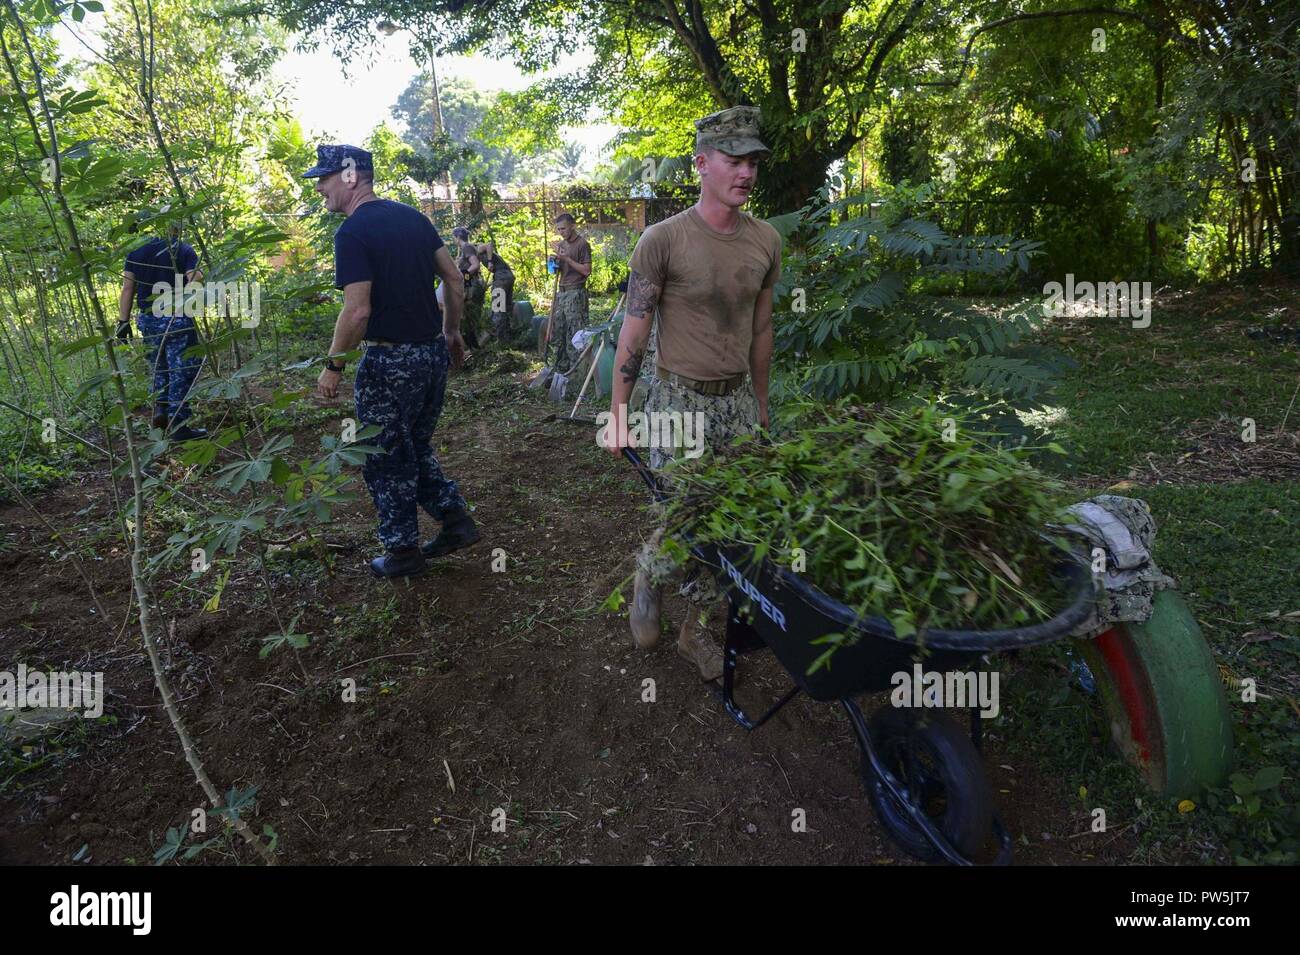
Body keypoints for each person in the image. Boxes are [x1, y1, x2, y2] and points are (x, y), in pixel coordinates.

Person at [602, 106, 782, 680]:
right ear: (702, 164)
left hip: (734, 405)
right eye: (735, 160)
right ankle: (648, 580)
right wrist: (619, 414)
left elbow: (762, 329)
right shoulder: (662, 241)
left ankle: (694, 629)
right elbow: (634, 328)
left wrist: (760, 404)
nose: (747, 173)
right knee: (684, 518)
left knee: (729, 524)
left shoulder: (766, 241)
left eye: (753, 162)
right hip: (677, 403)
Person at [305, 144, 480, 578]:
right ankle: (455, 519)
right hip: (430, 356)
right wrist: (452, 332)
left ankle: (402, 552)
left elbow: (357, 310)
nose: (319, 189)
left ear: (349, 178)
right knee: (413, 446)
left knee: (384, 454)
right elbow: (454, 278)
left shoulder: (352, 233)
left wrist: (334, 365)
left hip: (389, 361)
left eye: (324, 179)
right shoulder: (414, 218)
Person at [119, 225, 207, 441]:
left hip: (149, 320)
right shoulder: (182, 249)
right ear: (174, 227)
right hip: (176, 317)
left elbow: (128, 288)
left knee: (159, 367)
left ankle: (161, 408)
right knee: (182, 370)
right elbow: (195, 277)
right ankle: (179, 424)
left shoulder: (136, 252)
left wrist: (122, 322)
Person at [547, 212, 592, 395]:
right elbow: (554, 271)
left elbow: (586, 271)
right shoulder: (561, 245)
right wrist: (554, 262)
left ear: (572, 225)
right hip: (562, 292)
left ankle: (578, 376)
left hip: (575, 293)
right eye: (558, 229)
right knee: (559, 333)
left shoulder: (582, 244)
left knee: (575, 334)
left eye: (563, 228)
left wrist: (567, 259)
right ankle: (561, 371)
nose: (561, 232)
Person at [452, 226, 484, 349]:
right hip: (468, 286)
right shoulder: (464, 250)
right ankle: (473, 347)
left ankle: (476, 347)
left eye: (454, 238)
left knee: (471, 317)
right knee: (467, 317)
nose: (454, 240)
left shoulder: (467, 247)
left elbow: (475, 265)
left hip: (473, 286)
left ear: (458, 237)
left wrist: (463, 276)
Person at [477, 242, 515, 341]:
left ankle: (499, 338)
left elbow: (489, 244)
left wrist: (489, 261)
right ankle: (507, 337)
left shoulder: (477, 248)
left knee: (497, 307)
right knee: (505, 307)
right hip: (507, 276)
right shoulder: (477, 256)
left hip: (502, 276)